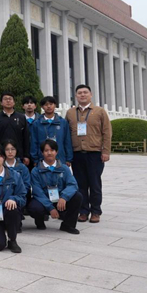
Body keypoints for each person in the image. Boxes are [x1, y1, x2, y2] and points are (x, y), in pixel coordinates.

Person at [65, 84, 112, 224]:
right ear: (76, 96)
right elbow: (66, 135)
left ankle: (96, 211)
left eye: (85, 92)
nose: (82, 95)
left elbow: (107, 132)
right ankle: (83, 211)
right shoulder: (70, 113)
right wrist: (67, 155)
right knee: (80, 184)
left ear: (91, 95)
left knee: (95, 183)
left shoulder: (99, 111)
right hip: (77, 153)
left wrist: (106, 151)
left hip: (94, 153)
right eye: (79, 93)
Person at [29, 139, 83, 234]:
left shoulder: (64, 168)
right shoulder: (36, 171)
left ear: (56, 152)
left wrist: (64, 197)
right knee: (34, 207)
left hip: (60, 200)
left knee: (77, 196)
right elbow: (37, 192)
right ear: (42, 153)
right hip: (44, 200)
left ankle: (68, 225)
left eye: (52, 150)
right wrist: (50, 208)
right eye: (46, 150)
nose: (49, 153)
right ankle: (39, 221)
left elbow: (72, 184)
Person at [30, 96, 73, 167]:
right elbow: (34, 142)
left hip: (60, 158)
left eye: (51, 104)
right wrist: (35, 159)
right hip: (42, 159)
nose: (49, 106)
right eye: (46, 105)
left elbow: (67, 141)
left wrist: (69, 158)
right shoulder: (37, 123)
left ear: (55, 105)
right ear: (42, 107)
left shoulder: (63, 122)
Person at [0, 93, 31, 167]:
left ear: (14, 102)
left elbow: (26, 137)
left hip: (18, 155)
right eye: (5, 99)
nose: (8, 101)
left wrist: (26, 155)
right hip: (1, 155)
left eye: (10, 99)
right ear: (1, 103)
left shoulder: (21, 117)